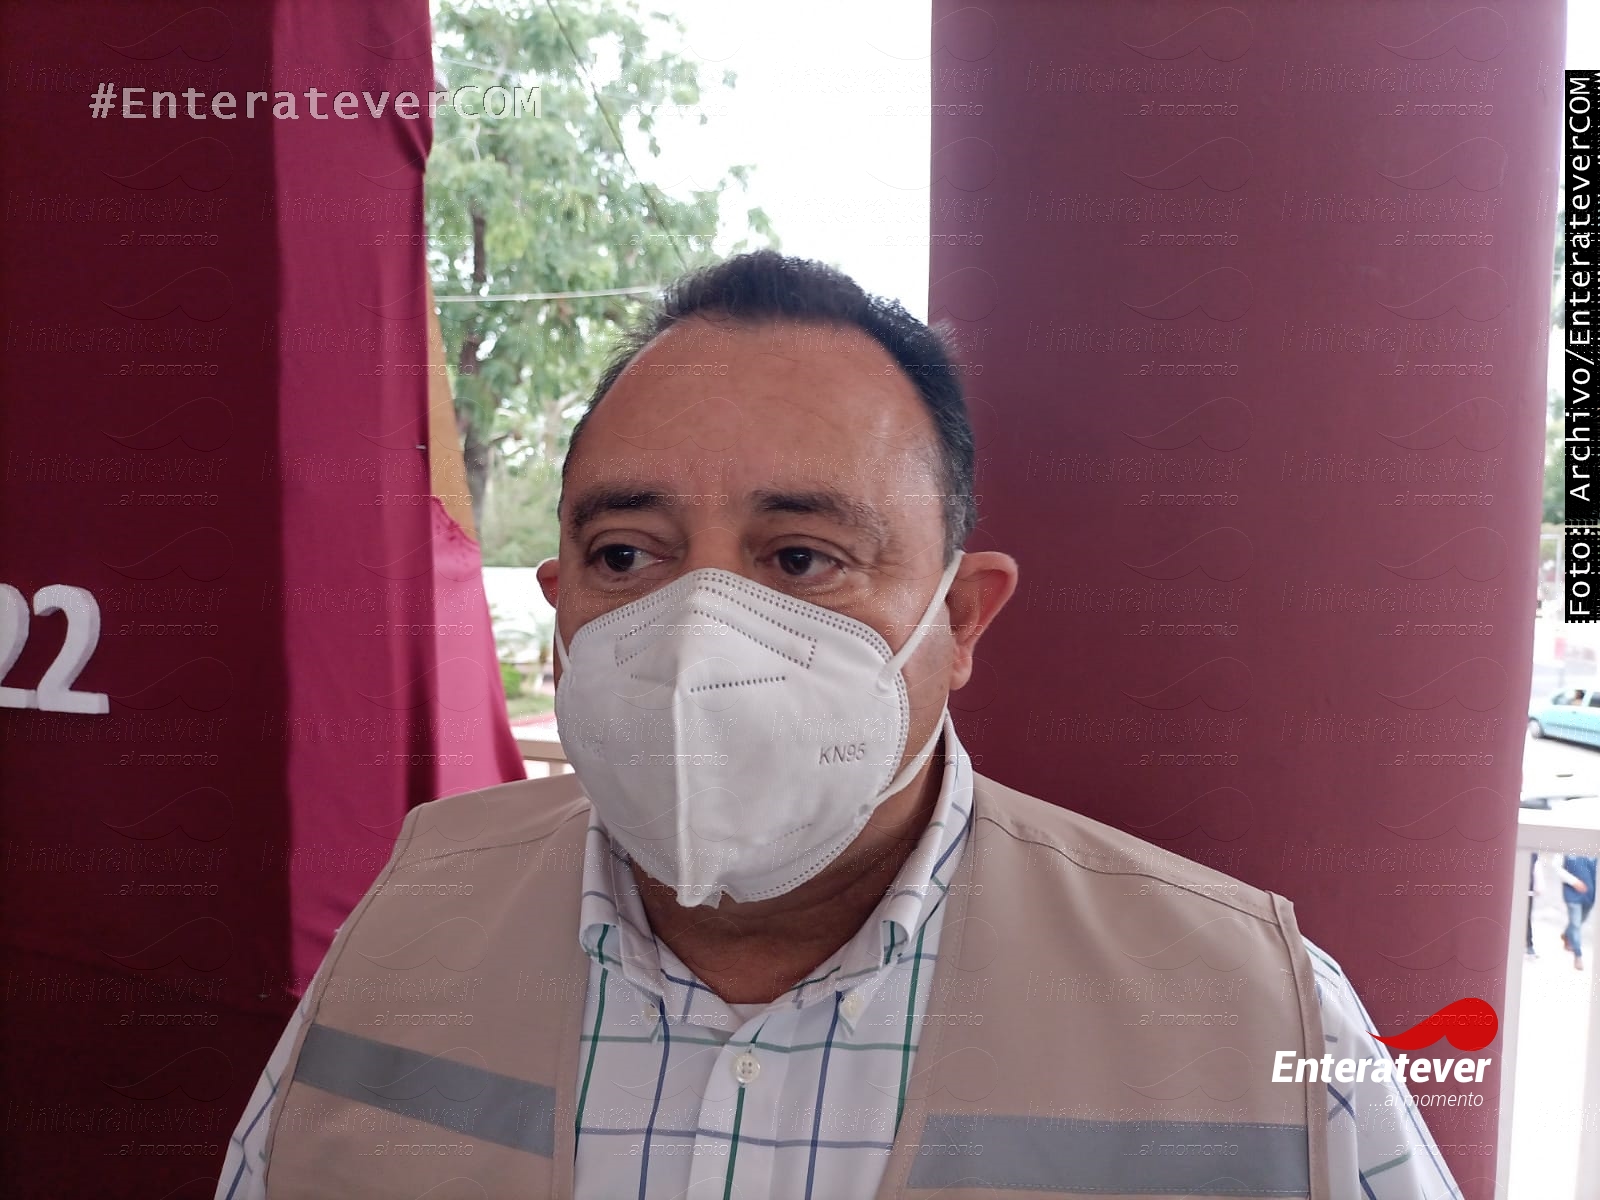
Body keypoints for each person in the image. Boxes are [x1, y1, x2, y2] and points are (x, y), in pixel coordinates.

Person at [217, 252, 1461, 1200]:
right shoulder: (409, 923)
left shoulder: (1249, 1010)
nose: (698, 635)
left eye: (801, 558)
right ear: (561, 609)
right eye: (626, 555)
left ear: (959, 619)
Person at [1561, 853, 1598, 970]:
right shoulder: (1567, 851)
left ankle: (1567, 934)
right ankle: (1578, 955)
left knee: (1578, 922)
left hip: (1589, 895)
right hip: (1572, 894)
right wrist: (1574, 881)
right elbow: (1557, 868)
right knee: (1576, 924)